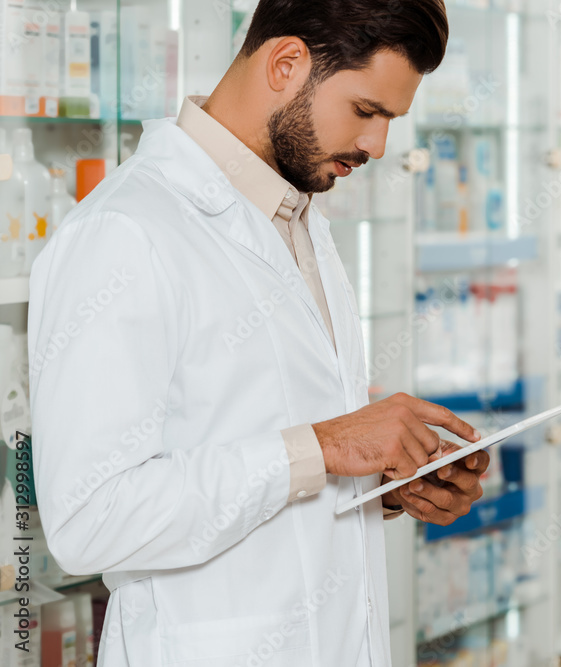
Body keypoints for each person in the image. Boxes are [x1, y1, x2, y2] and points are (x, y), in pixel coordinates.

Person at [27, 1, 490, 665]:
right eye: (367, 111)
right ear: (286, 63)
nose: (378, 146)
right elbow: (89, 519)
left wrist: (380, 487)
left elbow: (266, 456)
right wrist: (326, 446)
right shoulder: (126, 233)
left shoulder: (299, 220)